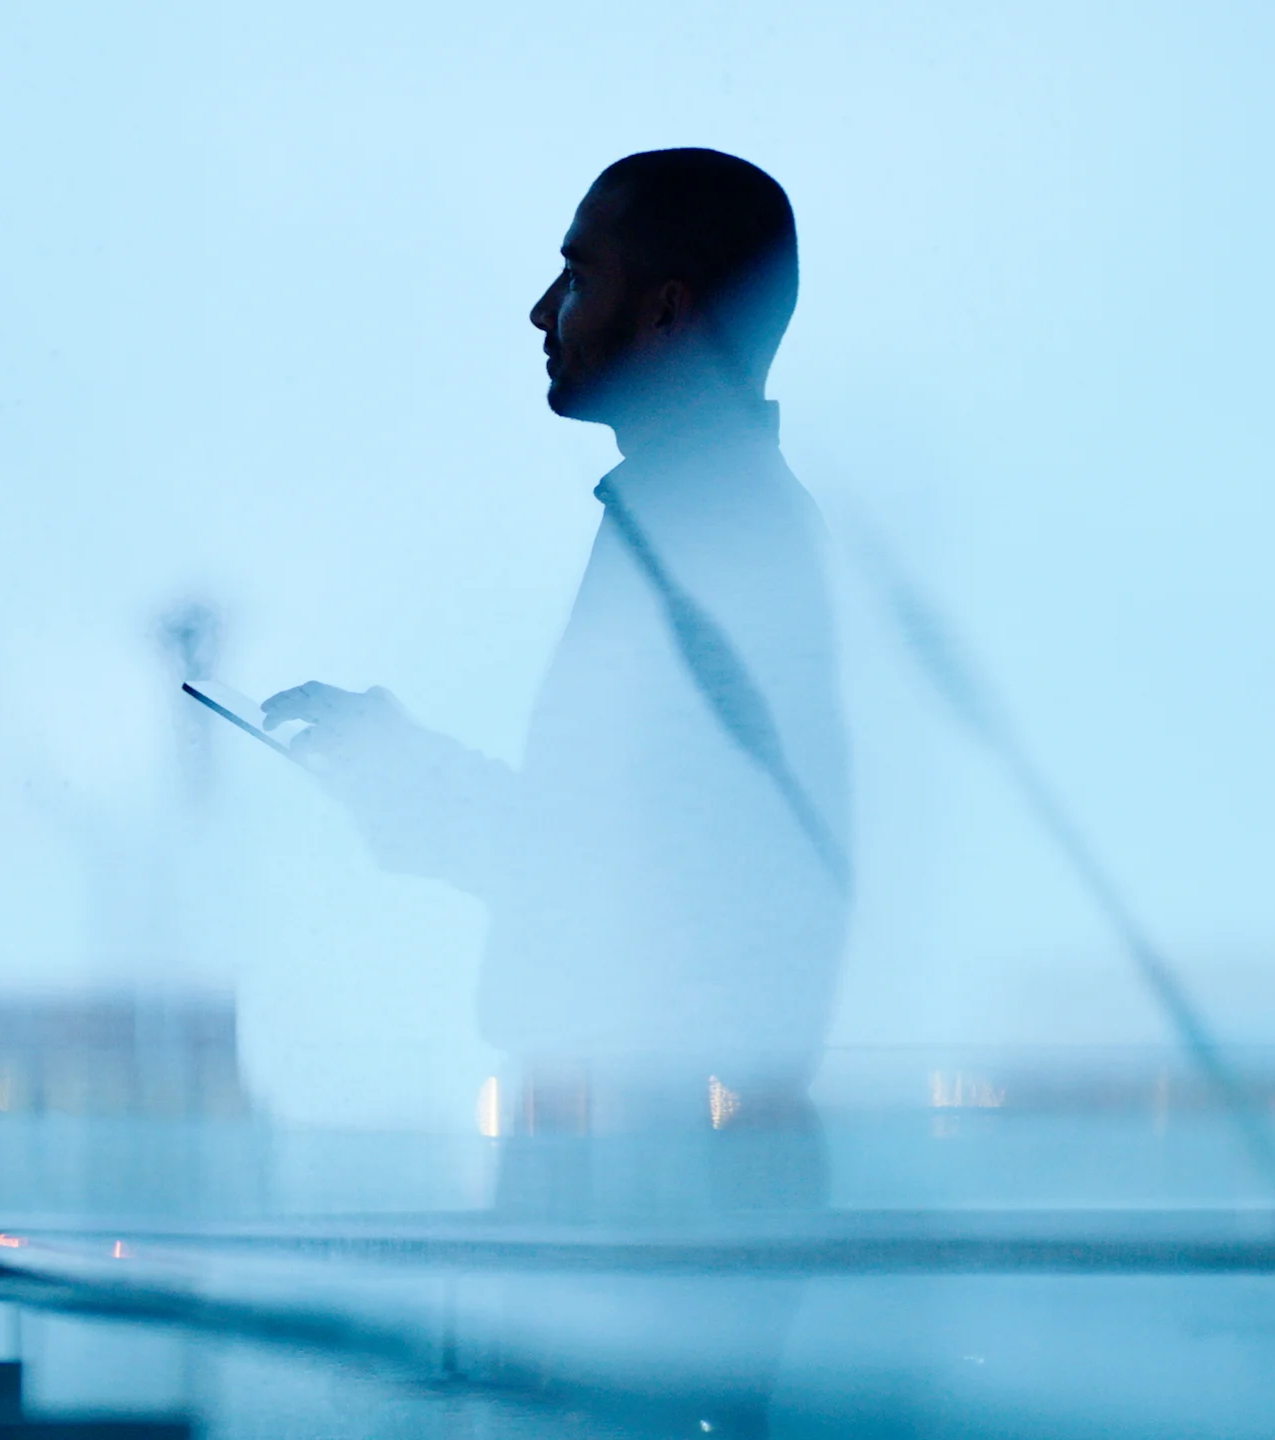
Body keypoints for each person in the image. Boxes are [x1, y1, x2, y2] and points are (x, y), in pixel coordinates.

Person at [263, 147, 850, 1229]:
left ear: (667, 312)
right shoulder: (701, 522)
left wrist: (408, 779)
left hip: (650, 1168)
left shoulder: (709, 534)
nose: (543, 311)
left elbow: (625, 883)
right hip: (661, 1155)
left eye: (579, 276)